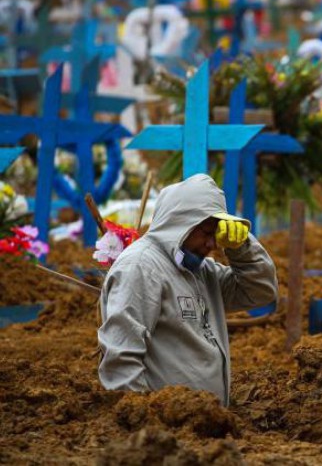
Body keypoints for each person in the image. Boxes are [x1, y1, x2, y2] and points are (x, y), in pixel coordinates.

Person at [97, 174, 278, 406]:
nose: (213, 244)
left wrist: (242, 248)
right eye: (206, 232)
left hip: (199, 429)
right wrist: (145, 427)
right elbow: (121, 358)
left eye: (217, 234)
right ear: (180, 223)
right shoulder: (141, 267)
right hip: (167, 431)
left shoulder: (202, 272)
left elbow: (259, 292)